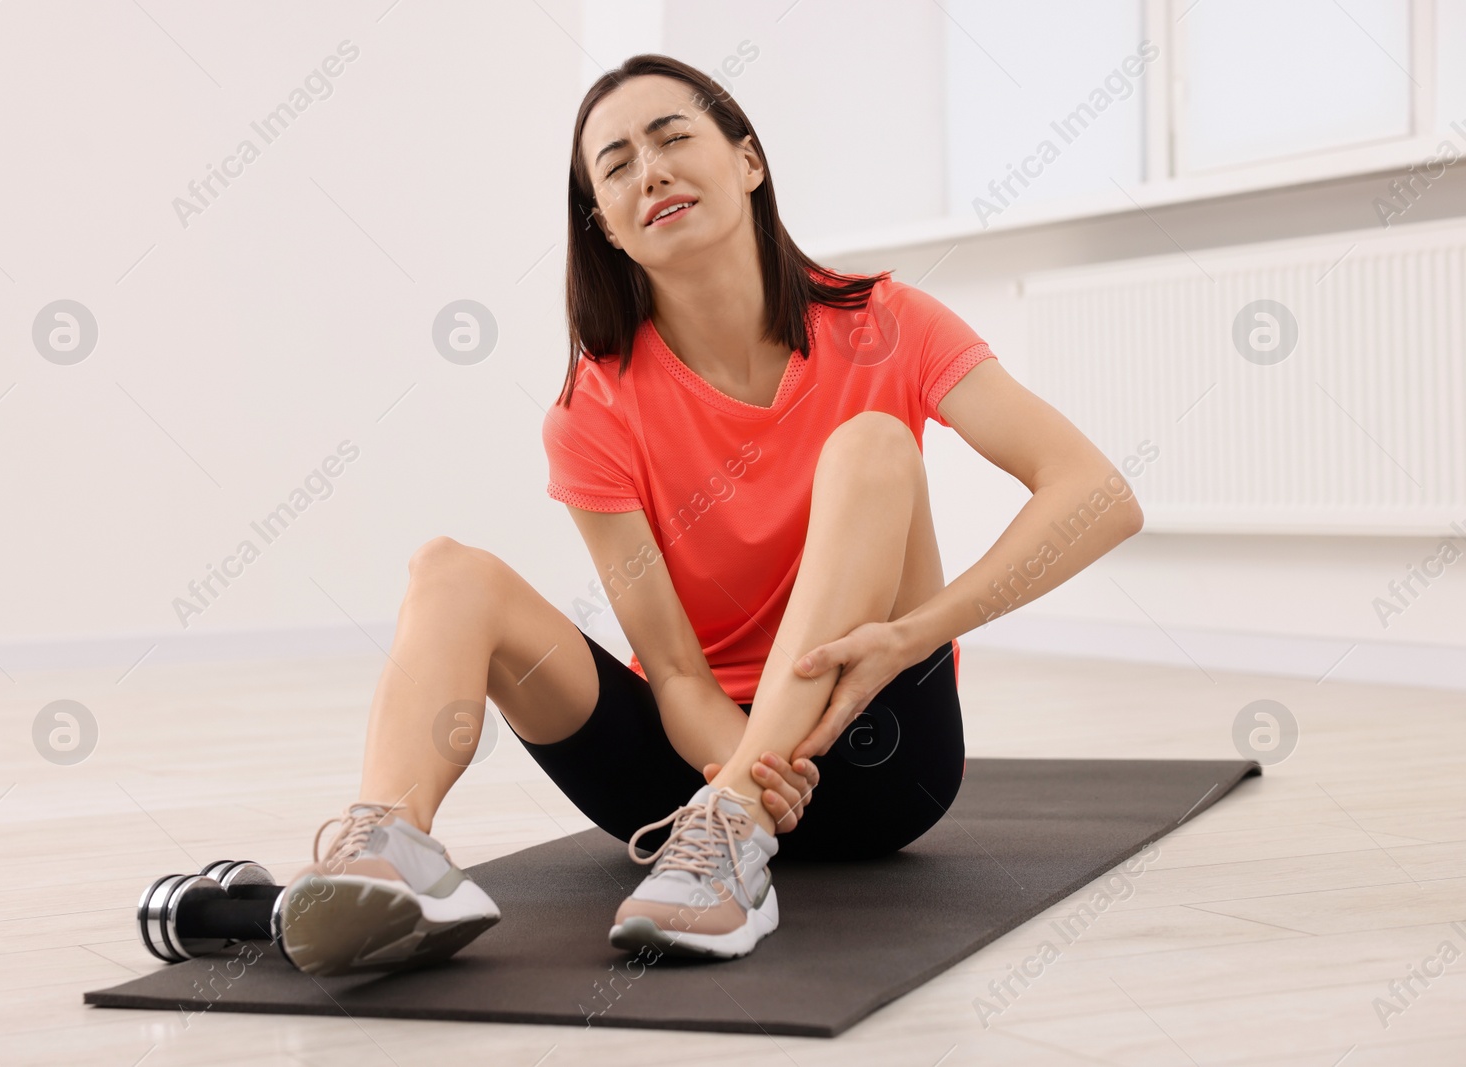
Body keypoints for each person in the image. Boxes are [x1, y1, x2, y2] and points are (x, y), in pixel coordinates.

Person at [273, 54, 1144, 976]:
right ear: (605, 227)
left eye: (673, 137)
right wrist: (745, 778)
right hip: (688, 781)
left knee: (874, 444)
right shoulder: (592, 412)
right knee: (445, 569)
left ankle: (734, 827)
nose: (648, 170)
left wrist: (910, 636)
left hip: (880, 749)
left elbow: (1096, 494)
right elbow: (679, 673)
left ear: (749, 162)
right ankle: (391, 850)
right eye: (615, 166)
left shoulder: (891, 322)